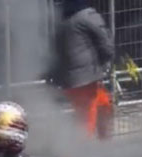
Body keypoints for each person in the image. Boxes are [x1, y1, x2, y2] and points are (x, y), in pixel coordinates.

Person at [49, 0, 115, 139]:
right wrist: (107, 60)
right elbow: (105, 43)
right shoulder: (88, 15)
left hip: (72, 78)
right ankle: (80, 151)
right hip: (86, 78)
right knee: (86, 121)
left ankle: (104, 144)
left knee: (104, 105)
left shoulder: (63, 20)